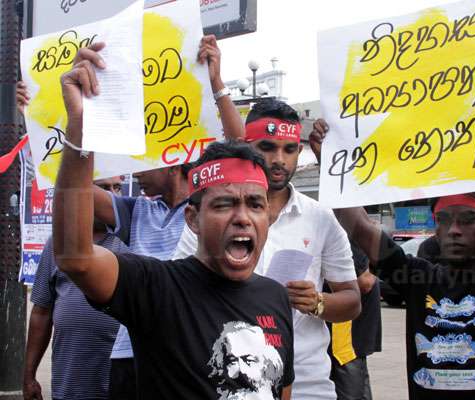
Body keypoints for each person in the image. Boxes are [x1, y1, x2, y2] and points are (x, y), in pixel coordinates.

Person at [309, 67, 475, 399]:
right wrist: (330, 164)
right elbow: (361, 227)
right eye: (444, 220)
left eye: (467, 220)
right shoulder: (418, 276)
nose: (453, 230)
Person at [53, 43, 295, 398]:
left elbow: (281, 389)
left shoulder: (275, 296)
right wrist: (81, 131)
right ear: (193, 219)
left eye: (255, 205)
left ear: (268, 218)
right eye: (225, 204)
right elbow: (75, 257)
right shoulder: (156, 288)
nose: (242, 217)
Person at [83, 35, 245, 399]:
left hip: (192, 351)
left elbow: (243, 158)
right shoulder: (135, 209)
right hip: (130, 355)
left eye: (142, 159)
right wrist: (68, 118)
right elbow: (74, 189)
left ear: (172, 163)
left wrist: (217, 83)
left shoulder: (209, 208)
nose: (133, 169)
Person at [174, 99, 361, 399]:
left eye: (289, 149)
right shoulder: (213, 217)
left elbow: (352, 300)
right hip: (228, 382)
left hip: (307, 384)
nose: (279, 160)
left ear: (300, 151)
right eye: (267, 147)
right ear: (247, 147)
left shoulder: (320, 218)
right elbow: (179, 288)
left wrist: (317, 302)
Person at [24, 176, 127, 400]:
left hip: (121, 385)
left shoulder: (131, 242)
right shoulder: (59, 243)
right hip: (69, 385)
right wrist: (29, 374)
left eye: (117, 187)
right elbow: (41, 313)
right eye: (104, 188)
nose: (113, 195)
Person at [329, 241, 382, 400]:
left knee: (353, 385)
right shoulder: (349, 232)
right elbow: (366, 280)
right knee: (356, 386)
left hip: (347, 330)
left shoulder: (347, 234)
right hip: (347, 330)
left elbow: (365, 281)